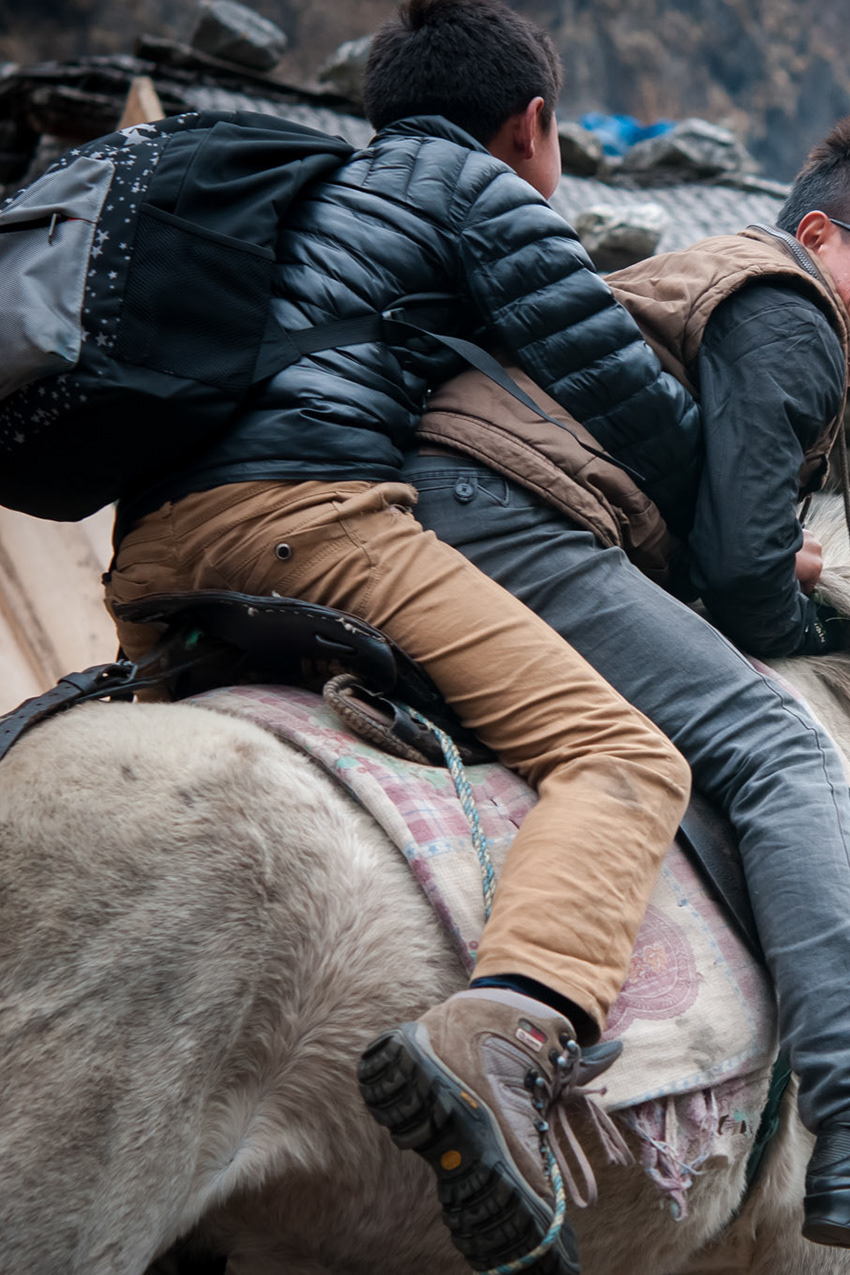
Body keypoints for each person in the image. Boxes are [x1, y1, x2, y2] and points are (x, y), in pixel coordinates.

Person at [100, 1, 701, 1269]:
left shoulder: (311, 195)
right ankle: (511, 1031)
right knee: (624, 759)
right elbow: (631, 408)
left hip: (150, 560)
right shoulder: (479, 188)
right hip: (310, 526)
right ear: (534, 125)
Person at [395, 116, 850, 1264]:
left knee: (798, 785)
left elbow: (716, 545)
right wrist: (808, 622)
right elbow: (743, 586)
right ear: (822, 232)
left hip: (487, 502)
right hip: (517, 517)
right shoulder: (786, 305)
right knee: (785, 752)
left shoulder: (757, 299)